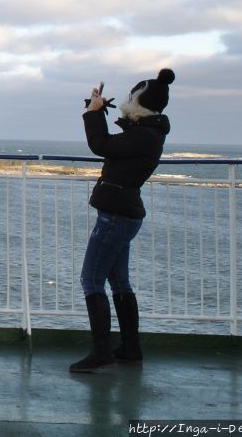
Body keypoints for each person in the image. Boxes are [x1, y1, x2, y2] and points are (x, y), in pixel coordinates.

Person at [69, 68, 175, 373]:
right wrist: (98, 111)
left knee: (91, 279)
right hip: (123, 214)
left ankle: (102, 352)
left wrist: (92, 113)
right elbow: (112, 143)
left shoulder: (144, 137)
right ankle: (130, 348)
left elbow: (101, 146)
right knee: (119, 281)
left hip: (115, 216)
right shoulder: (148, 133)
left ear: (138, 102)